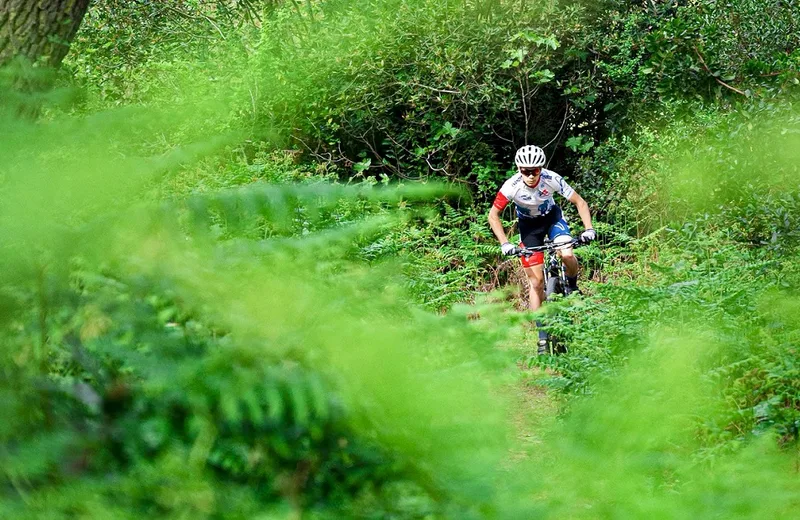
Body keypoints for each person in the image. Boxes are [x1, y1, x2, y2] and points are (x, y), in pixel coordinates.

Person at [487, 144, 596, 350]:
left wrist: (588, 228)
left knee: (567, 254)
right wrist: (505, 243)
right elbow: (493, 216)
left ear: (541, 169)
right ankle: (542, 336)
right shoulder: (511, 186)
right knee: (536, 283)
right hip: (529, 228)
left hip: (553, 219)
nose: (530, 175)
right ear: (519, 169)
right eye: (525, 171)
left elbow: (580, 202)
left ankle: (572, 285)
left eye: (535, 170)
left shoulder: (551, 178)